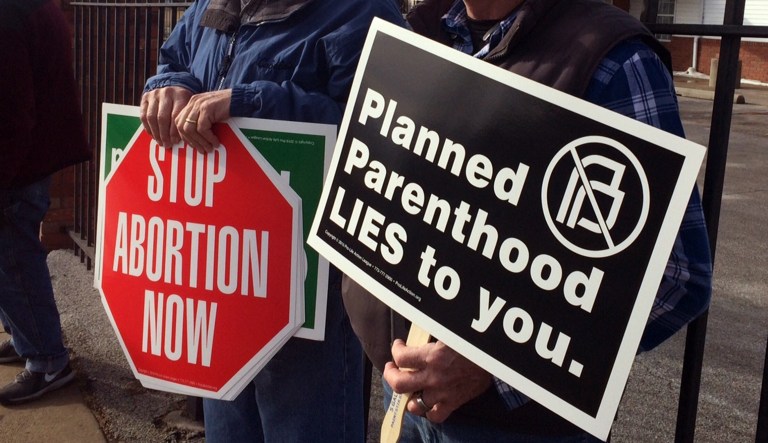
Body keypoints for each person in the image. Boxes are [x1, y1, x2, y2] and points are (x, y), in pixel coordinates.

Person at [341, 0, 714, 441]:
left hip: (519, 425)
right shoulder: (418, 30)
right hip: (400, 399)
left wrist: (496, 367)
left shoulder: (613, 59)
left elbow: (675, 279)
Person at [139, 0, 406, 441]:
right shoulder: (212, 4)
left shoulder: (362, 11)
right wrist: (169, 87)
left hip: (306, 292)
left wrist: (253, 104)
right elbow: (176, 59)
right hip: (219, 283)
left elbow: (389, 134)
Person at [0, 0, 91, 405]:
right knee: (13, 258)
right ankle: (29, 338)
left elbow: (13, 110)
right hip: (32, 155)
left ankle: (48, 360)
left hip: (19, 163)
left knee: (14, 260)